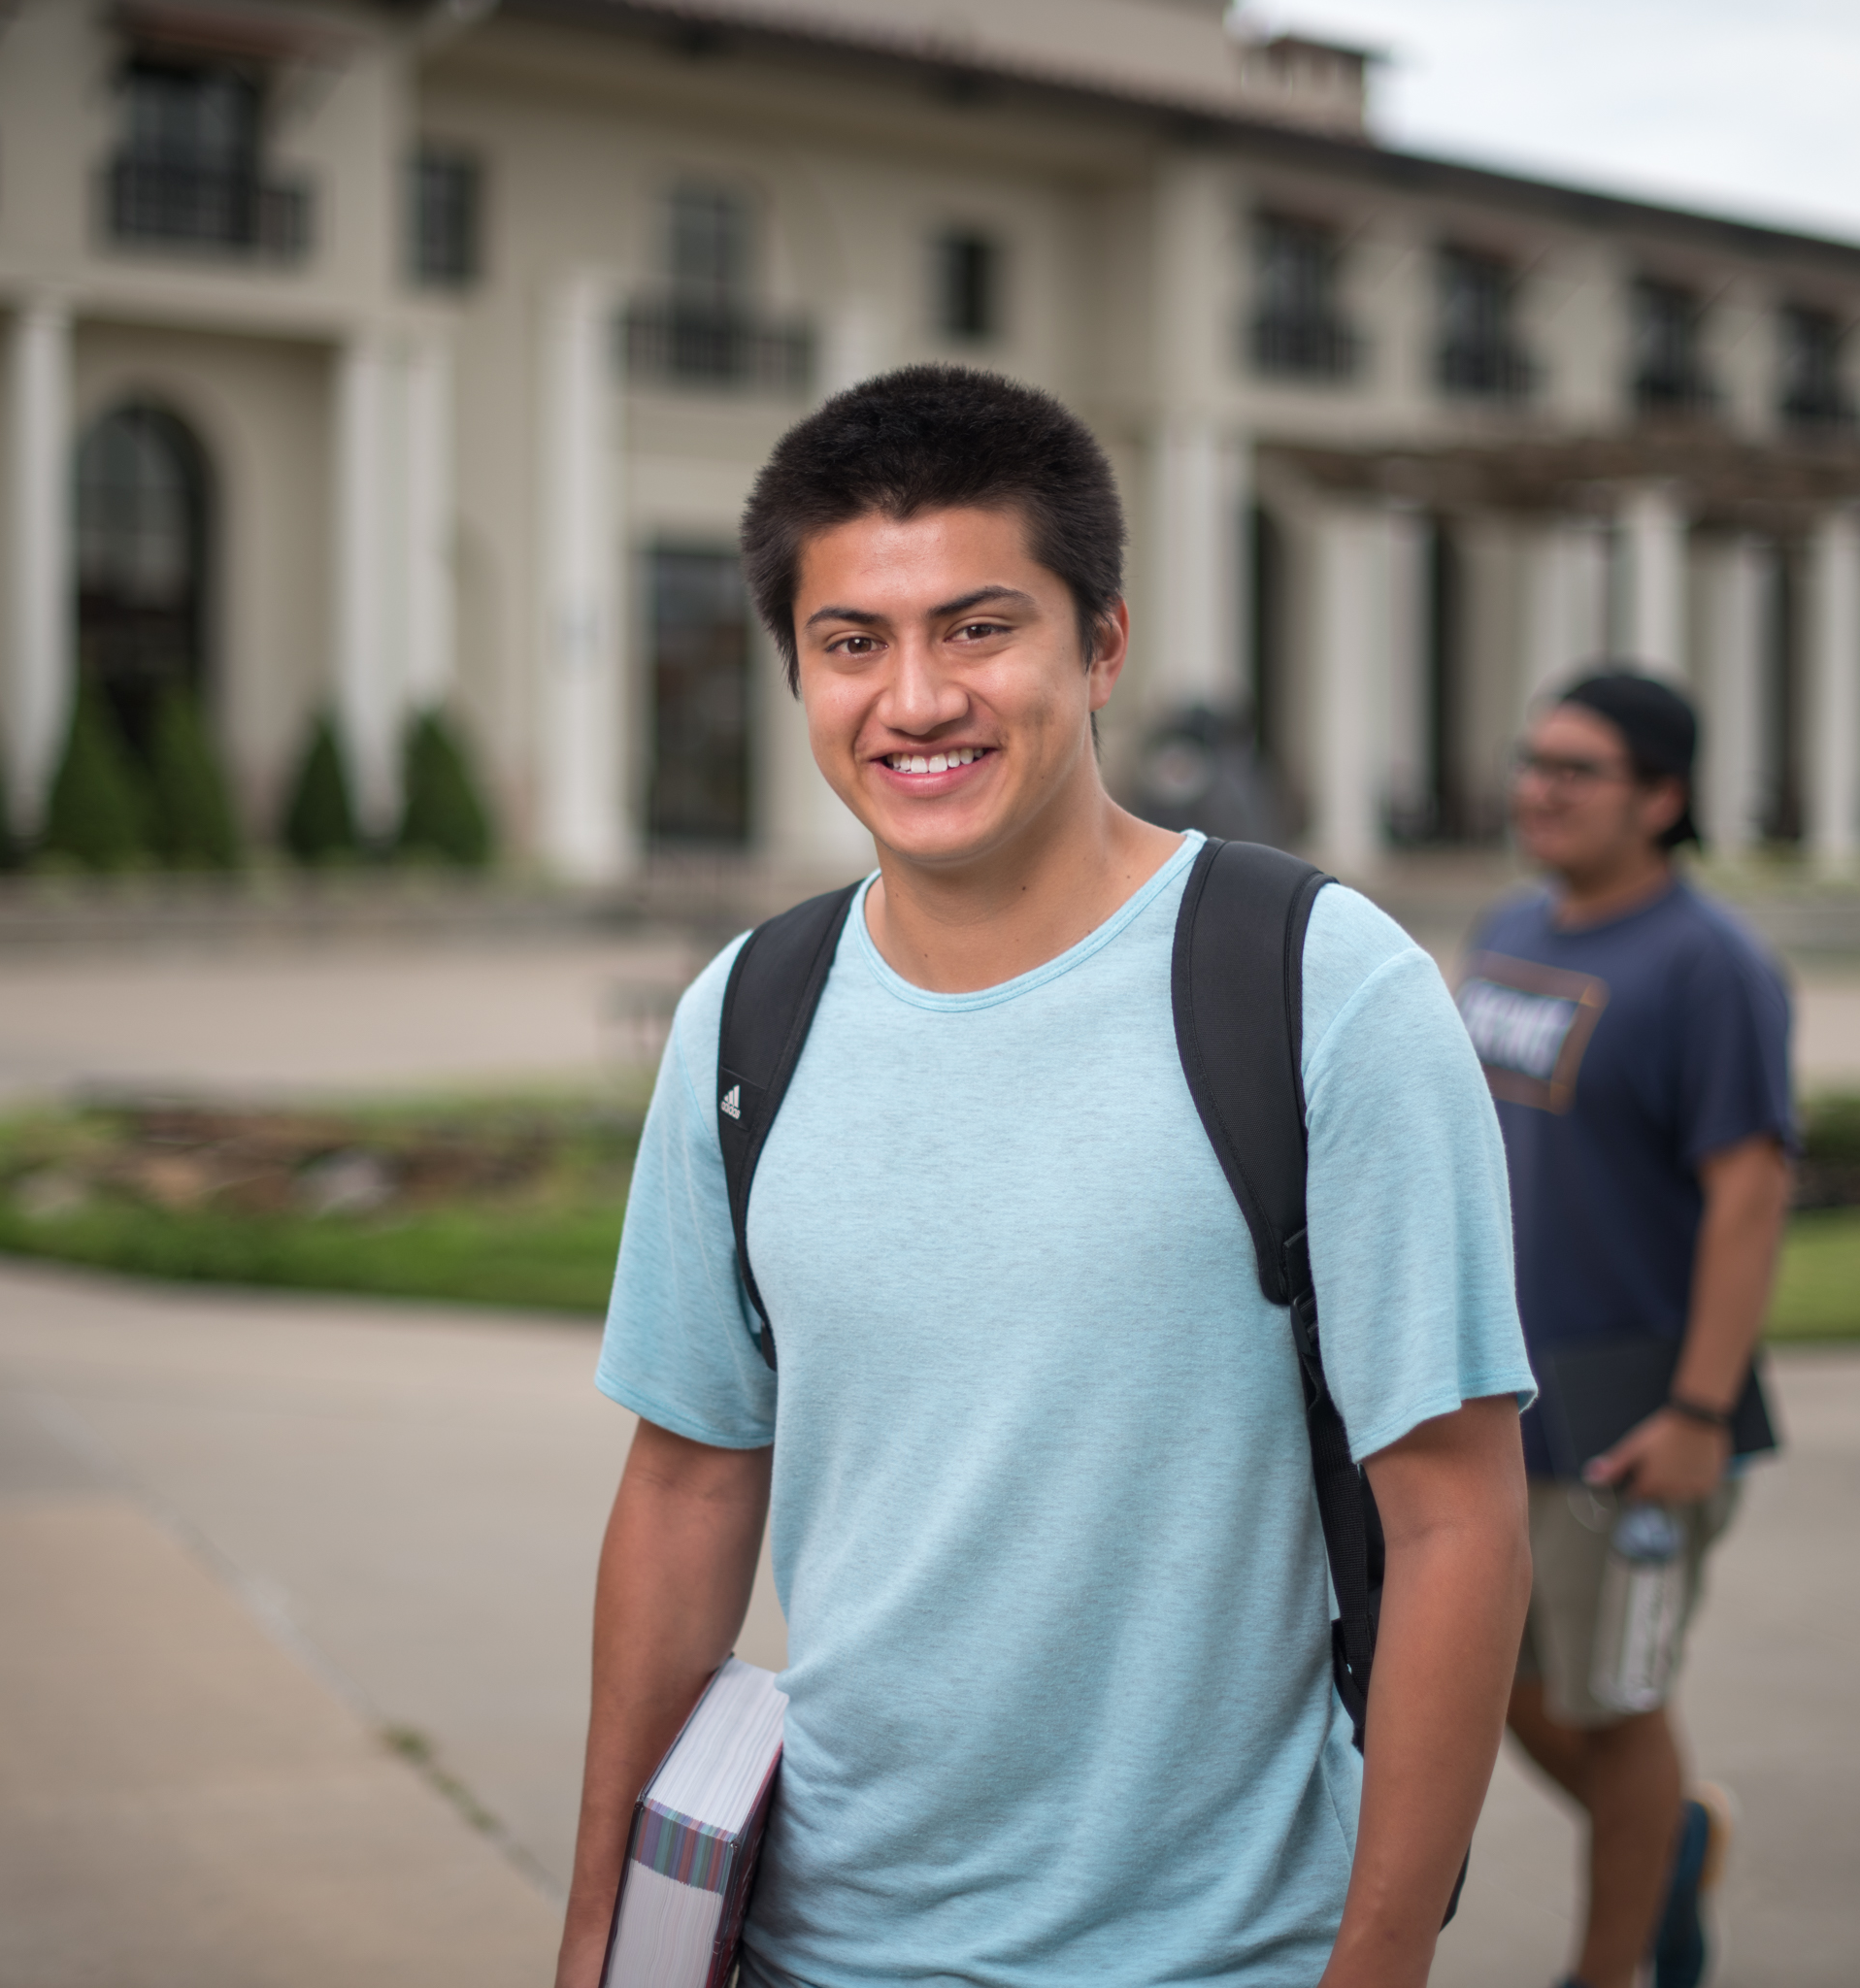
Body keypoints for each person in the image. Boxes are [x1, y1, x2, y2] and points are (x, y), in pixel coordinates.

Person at [556, 364, 1535, 1988]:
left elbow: (1458, 1522)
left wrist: (1375, 1969)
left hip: (1221, 1956)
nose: (915, 699)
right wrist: (601, 1934)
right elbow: (685, 1483)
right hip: (820, 1944)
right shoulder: (748, 1014)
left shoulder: (1317, 986)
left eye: (978, 628)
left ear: (1102, 647)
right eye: (850, 643)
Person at [1459, 672, 1794, 1988]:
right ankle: (1672, 1838)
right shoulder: (1507, 927)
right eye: (1532, 757)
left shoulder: (1708, 966)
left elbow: (1751, 1193)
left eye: (1577, 768)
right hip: (1505, 1390)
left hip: (1636, 1401)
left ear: (1663, 799)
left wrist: (1700, 1412)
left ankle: (1613, 1971)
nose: (1537, 786)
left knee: (1618, 1696)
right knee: (1487, 1682)